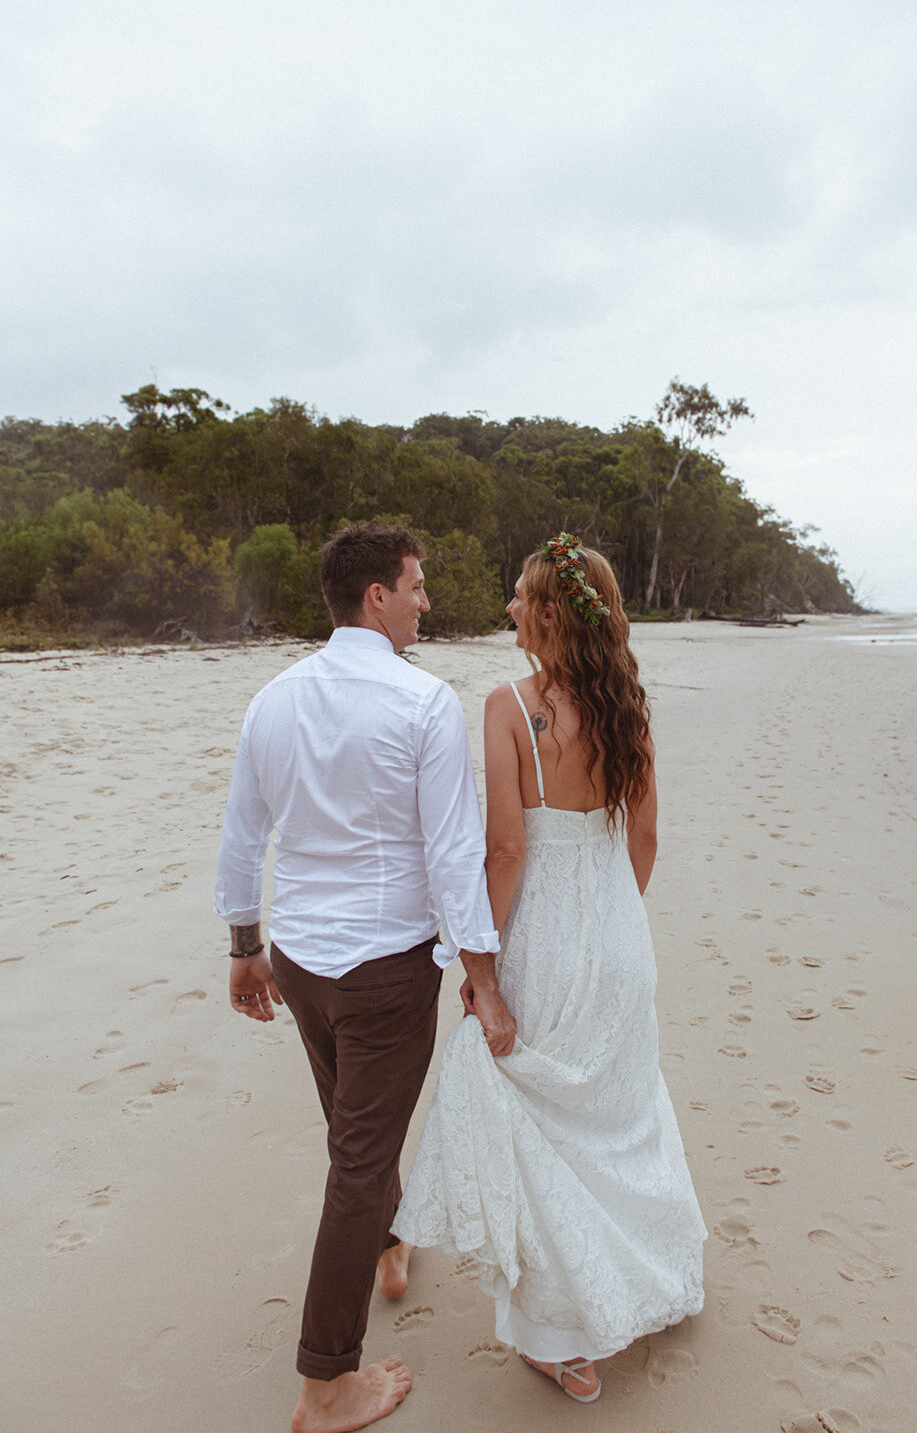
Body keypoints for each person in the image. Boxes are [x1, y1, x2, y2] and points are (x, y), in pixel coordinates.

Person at [214, 522, 515, 1433]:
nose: (427, 601)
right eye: (417, 586)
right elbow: (455, 853)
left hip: (302, 961)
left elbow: (242, 834)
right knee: (358, 1157)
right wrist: (484, 975)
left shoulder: (274, 697)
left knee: (356, 1132)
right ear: (375, 596)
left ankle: (389, 1245)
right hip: (382, 972)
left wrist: (243, 945)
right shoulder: (424, 704)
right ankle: (324, 1382)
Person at [393, 533, 706, 1405]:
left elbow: (505, 849)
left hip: (542, 936)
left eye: (521, 597)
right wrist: (614, 920)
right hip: (616, 935)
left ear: (551, 614)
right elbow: (643, 840)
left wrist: (481, 968)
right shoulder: (628, 706)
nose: (508, 610)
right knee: (623, 1113)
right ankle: (656, 1279)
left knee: (548, 1134)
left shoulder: (507, 707)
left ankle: (565, 1340)